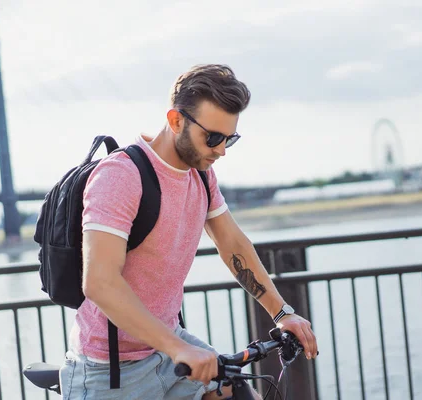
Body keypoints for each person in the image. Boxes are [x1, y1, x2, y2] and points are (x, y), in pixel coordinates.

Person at [59, 64, 318, 399]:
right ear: (175, 120)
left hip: (168, 349)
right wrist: (178, 348)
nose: (221, 150)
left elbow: (232, 243)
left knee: (239, 393)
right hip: (110, 370)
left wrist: (282, 312)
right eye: (212, 137)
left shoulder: (201, 175)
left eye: (229, 139)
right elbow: (100, 283)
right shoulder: (122, 176)